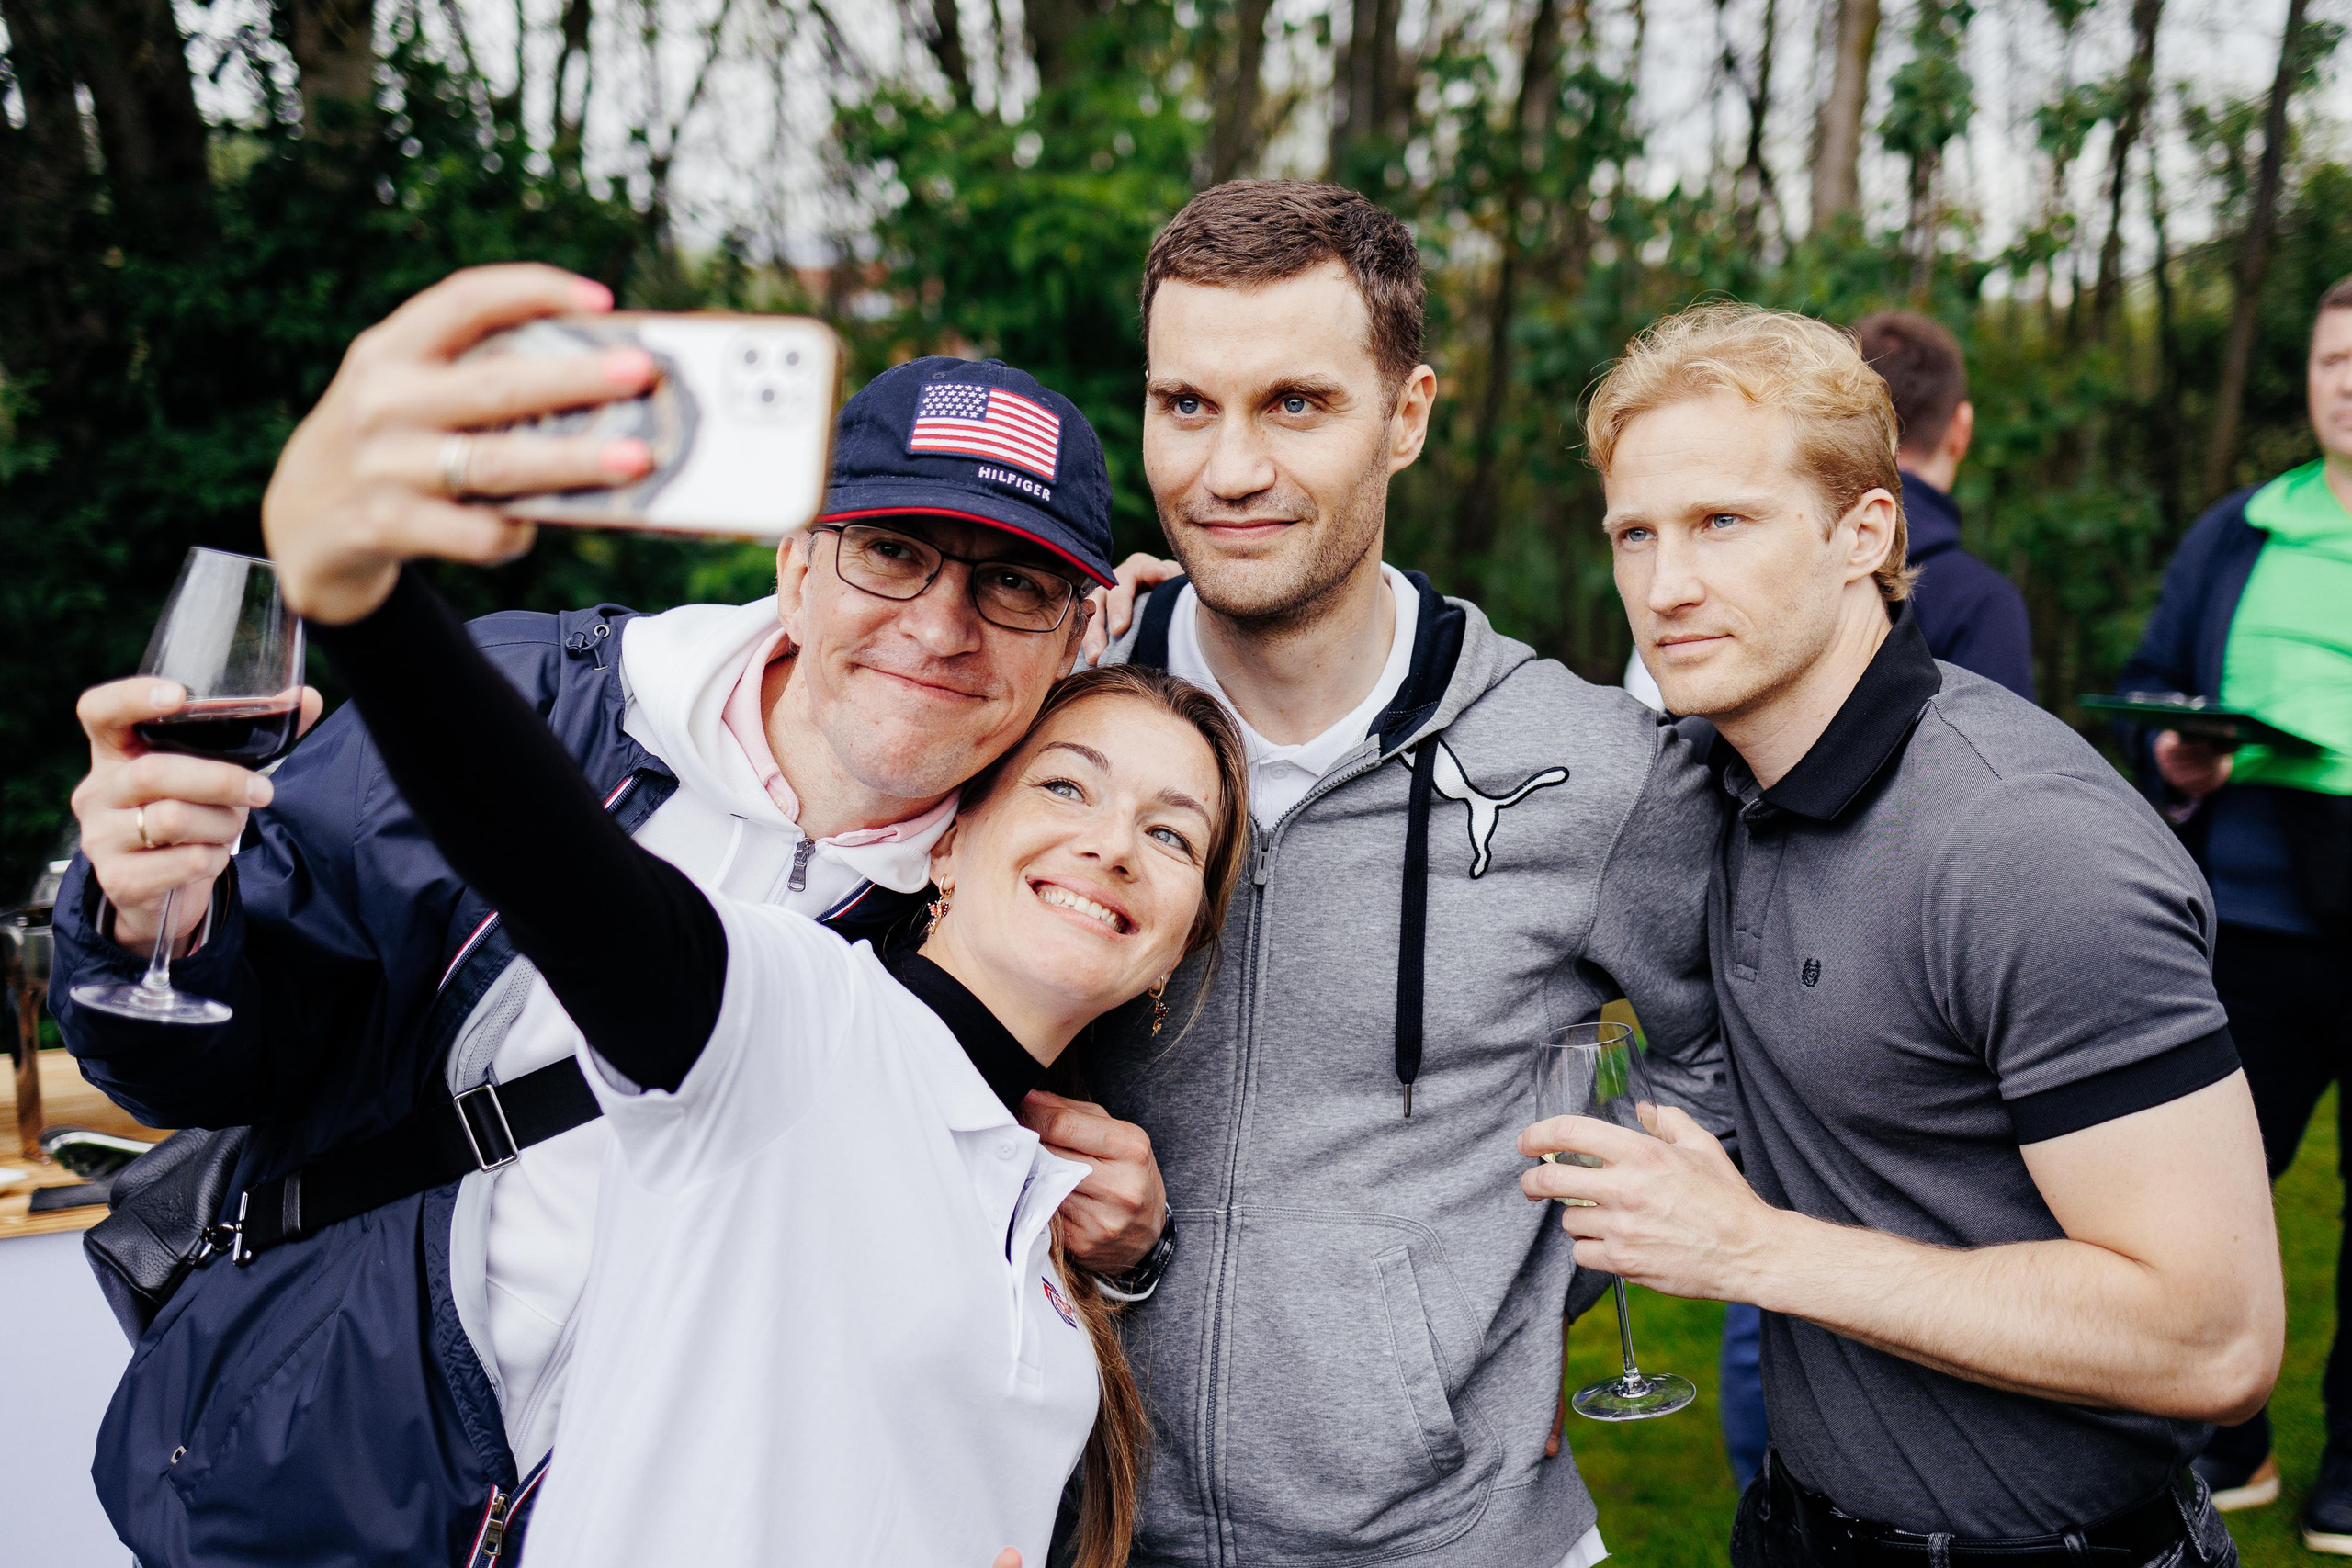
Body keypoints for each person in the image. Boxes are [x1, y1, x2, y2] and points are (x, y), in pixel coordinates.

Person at [51, 265, 1170, 1567]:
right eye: (892, 551)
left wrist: (1120, 1246)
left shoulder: (1022, 903)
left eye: (1015, 584)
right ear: (798, 566)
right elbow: (202, 1054)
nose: (938, 622)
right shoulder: (524, 705)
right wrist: (149, 921)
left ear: (1079, 635)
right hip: (309, 1485)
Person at [260, 485, 1250, 1563]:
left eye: (1171, 835)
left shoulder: (1044, 1216)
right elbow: (557, 866)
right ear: (948, 845)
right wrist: (360, 584)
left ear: (1183, 939)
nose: (1113, 845)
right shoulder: (792, 1018)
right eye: (1066, 787)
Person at [1521, 300, 2280, 1567]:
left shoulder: (2026, 843)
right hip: (1797, 1523)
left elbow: (2216, 1335)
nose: (1667, 584)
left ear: (1865, 530)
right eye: (1634, 533)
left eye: (1724, 521)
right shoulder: (1711, 780)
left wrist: (1756, 1247)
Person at [1080, 179, 1730, 1568]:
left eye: (1296, 404)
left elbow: (1715, 1051)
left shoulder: (1591, 764)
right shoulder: (1056, 717)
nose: (1227, 468)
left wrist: (1511, 1308)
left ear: (1410, 414)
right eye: (1185, 404)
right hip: (1094, 1522)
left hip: (1461, 1532)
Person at [2119, 276, 2352, 1546]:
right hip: (2253, 904)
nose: (2348, 379)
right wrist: (2178, 751)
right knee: (2218, 1183)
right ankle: (2226, 1433)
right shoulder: (2240, 530)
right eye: (2331, 358)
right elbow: (2154, 680)